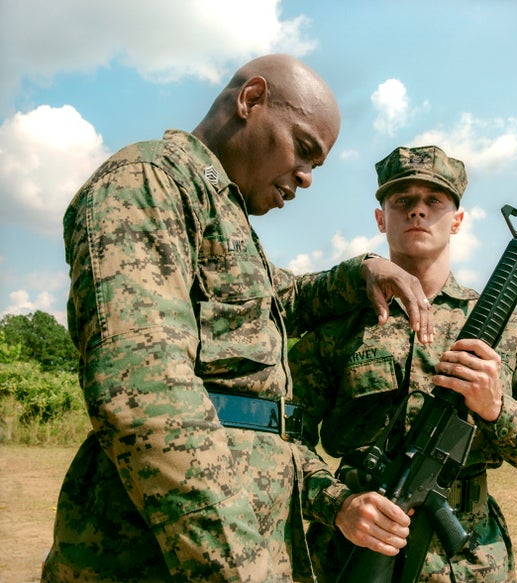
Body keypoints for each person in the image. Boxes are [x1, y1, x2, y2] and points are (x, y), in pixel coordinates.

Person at [41, 55, 434, 583]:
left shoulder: (221, 210)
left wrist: (362, 271)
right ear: (250, 100)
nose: (307, 177)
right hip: (158, 555)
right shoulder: (150, 183)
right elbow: (145, 395)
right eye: (305, 149)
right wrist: (241, 565)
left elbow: (280, 297)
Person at [289, 145, 517, 582]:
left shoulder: (508, 331)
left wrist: (497, 408)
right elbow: (283, 439)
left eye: (433, 201)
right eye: (402, 201)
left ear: (457, 220)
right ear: (381, 218)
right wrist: (337, 504)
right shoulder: (336, 328)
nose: (417, 211)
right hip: (353, 551)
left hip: (470, 562)